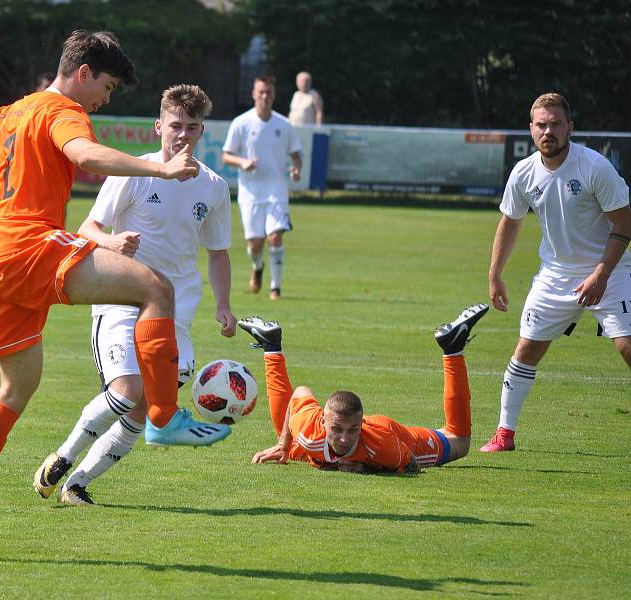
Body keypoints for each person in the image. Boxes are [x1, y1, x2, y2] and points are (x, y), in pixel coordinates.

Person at [0, 30, 232, 554]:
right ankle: (163, 418)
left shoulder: (2, 114)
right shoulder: (63, 112)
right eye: (107, 85)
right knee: (154, 288)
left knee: (17, 386)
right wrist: (158, 167)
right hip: (30, 246)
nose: (106, 97)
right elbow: (87, 155)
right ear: (82, 73)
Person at [32, 84, 237, 506]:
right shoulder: (131, 171)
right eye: (175, 126)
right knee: (126, 391)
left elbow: (218, 253)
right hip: (122, 299)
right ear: (159, 126)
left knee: (145, 412)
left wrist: (223, 306)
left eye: (192, 127)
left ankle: (77, 485)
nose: (183, 135)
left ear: (202, 131)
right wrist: (110, 243)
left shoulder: (214, 187)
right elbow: (87, 229)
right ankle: (63, 458)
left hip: (176, 315)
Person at [481, 92, 631, 453]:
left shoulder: (594, 167)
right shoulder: (524, 171)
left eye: (556, 124)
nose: (548, 131)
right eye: (541, 125)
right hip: (556, 274)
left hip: (611, 270)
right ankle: (504, 434)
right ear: (531, 130)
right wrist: (495, 274)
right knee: (526, 349)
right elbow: (511, 222)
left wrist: (601, 274)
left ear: (570, 128)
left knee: (628, 347)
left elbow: (624, 222)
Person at [239, 304, 489, 473]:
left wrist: (364, 467)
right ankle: (271, 345)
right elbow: (298, 395)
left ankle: (452, 348)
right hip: (344, 432)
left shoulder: (383, 448)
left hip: (389, 434)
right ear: (323, 423)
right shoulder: (309, 428)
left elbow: (411, 464)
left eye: (351, 431)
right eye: (336, 429)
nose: (344, 439)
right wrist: (283, 446)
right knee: (292, 448)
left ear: (359, 427)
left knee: (460, 440)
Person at [222, 75, 302, 300]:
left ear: (274, 95)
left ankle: (275, 288)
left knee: (275, 238)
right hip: (250, 194)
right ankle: (257, 267)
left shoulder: (284, 124)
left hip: (276, 192)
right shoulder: (241, 123)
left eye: (268, 92)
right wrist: (242, 162)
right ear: (254, 94)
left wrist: (297, 168)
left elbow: (296, 154)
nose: (265, 96)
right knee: (255, 245)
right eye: (261, 92)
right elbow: (227, 155)